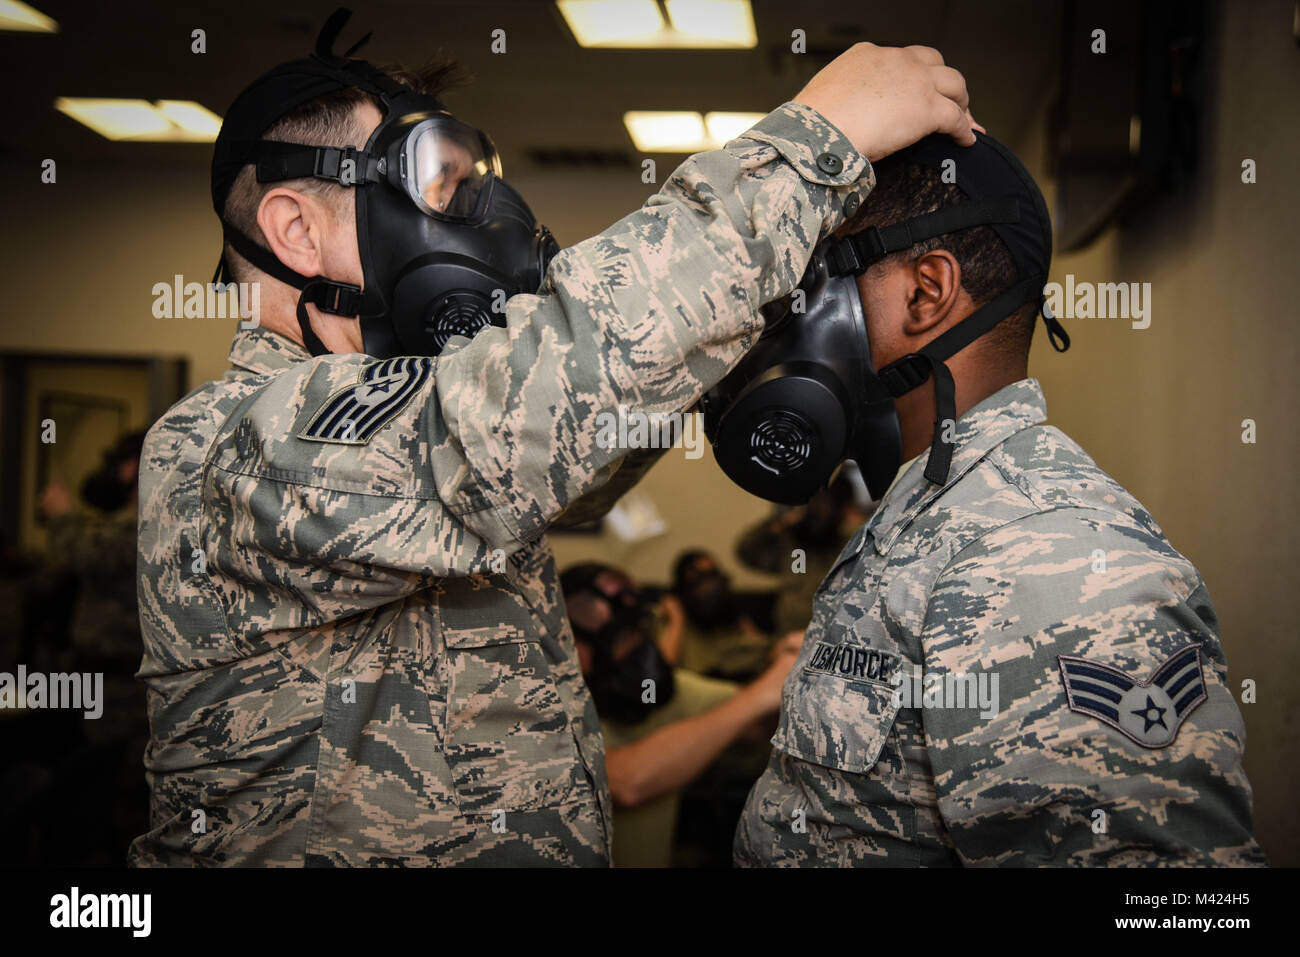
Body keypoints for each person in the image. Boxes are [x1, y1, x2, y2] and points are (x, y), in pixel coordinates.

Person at [131, 6, 981, 865]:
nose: (468, 215)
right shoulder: (226, 450)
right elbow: (508, 428)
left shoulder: (430, 416)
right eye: (436, 185)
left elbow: (573, 448)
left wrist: (747, 333)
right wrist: (812, 145)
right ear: (293, 230)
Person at [729, 130, 1266, 866]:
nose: (793, 312)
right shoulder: (933, 508)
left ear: (927, 291)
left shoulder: (1055, 561)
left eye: (821, 278)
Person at [560, 563, 797, 867]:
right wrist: (766, 689)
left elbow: (756, 725)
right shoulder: (547, 706)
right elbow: (625, 783)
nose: (637, 651)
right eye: (620, 640)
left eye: (639, 633)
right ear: (571, 645)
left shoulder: (665, 693)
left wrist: (790, 676)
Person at [734, 473, 872, 634]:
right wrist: (778, 523)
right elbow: (747, 553)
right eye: (812, 501)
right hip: (788, 639)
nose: (817, 509)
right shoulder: (792, 543)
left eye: (825, 502)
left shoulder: (851, 542)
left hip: (832, 639)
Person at [661, 550, 776, 682]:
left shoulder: (730, 614)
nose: (710, 586)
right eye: (699, 578)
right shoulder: (674, 619)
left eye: (713, 575)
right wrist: (676, 620)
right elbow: (662, 674)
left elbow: (765, 652)